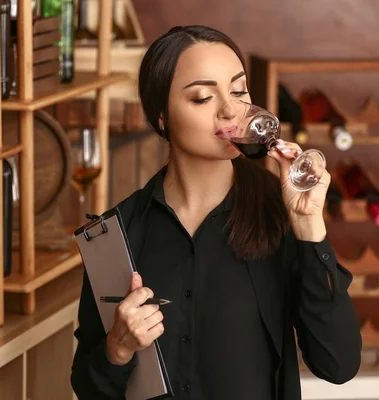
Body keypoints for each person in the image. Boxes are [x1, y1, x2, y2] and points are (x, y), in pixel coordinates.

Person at [70, 25, 362, 400]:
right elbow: (88, 387)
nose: (231, 109)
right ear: (161, 117)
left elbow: (338, 365)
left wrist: (308, 226)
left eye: (239, 90)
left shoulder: (282, 217)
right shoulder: (116, 233)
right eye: (203, 97)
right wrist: (118, 348)